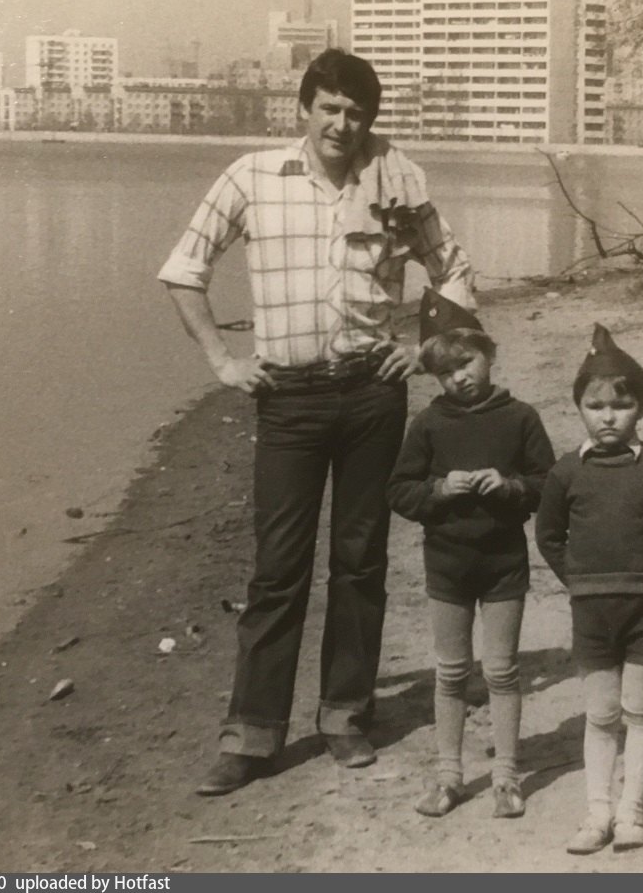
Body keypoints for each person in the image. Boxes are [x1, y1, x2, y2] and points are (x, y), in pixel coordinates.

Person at [157, 49, 476, 796]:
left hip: (372, 394)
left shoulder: (396, 182)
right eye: (329, 108)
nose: (342, 124)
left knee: (360, 561)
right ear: (304, 108)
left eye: (356, 113)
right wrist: (223, 362)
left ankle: (345, 715)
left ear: (370, 120)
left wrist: (423, 351)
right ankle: (251, 735)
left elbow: (454, 268)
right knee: (278, 568)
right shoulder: (252, 177)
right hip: (289, 399)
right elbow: (183, 271)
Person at [386, 291, 556, 820]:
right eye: (445, 372)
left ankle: (506, 776)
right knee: (452, 671)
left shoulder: (520, 418)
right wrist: (439, 490)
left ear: (489, 354)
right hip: (447, 565)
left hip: (504, 562)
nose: (459, 377)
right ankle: (449, 777)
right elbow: (399, 491)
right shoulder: (429, 424)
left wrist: (509, 486)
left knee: (502, 671)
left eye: (466, 363)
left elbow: (548, 485)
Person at [535, 324, 643, 855]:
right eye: (595, 405)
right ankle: (598, 812)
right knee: (602, 714)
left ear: (641, 409)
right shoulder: (566, 472)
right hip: (592, 611)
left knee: (640, 709)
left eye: (621, 406)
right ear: (579, 408)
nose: (608, 417)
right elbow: (549, 535)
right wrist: (580, 579)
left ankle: (632, 811)